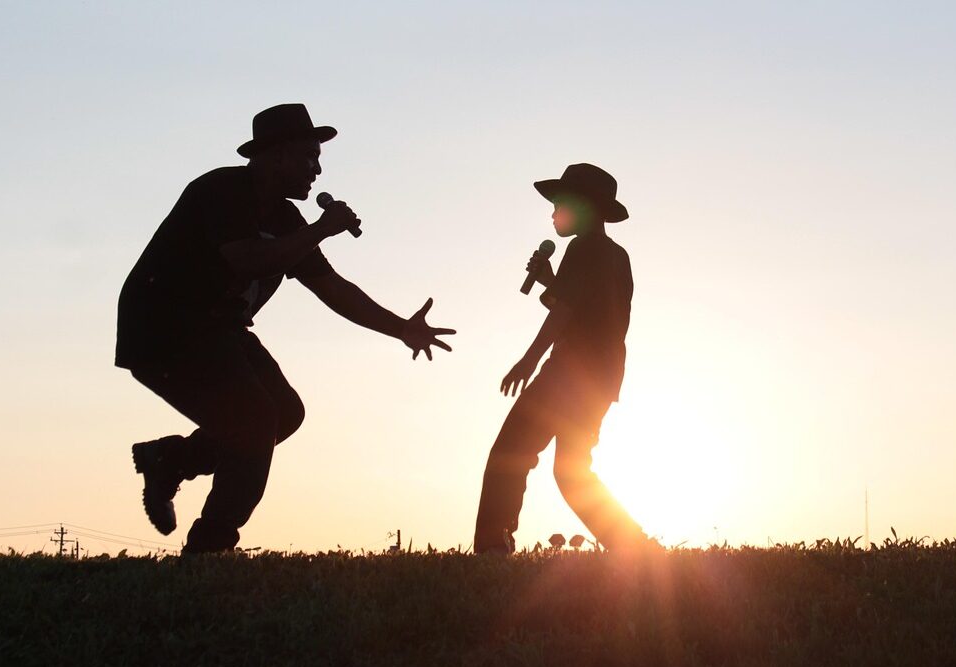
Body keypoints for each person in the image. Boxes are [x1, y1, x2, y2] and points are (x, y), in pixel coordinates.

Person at [116, 103, 454, 553]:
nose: (317, 170)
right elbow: (249, 257)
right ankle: (209, 548)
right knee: (255, 421)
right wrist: (320, 230)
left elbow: (332, 287)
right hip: (164, 330)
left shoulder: (286, 220)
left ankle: (171, 459)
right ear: (275, 156)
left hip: (219, 331)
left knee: (284, 414)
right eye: (308, 157)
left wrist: (402, 329)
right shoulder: (221, 190)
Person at [474, 163, 651, 554]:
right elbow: (583, 308)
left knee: (509, 454)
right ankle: (634, 546)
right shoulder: (613, 255)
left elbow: (565, 313)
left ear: (585, 207)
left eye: (560, 203)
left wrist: (528, 361)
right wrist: (549, 280)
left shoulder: (584, 248)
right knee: (571, 471)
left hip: (569, 375)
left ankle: (491, 548)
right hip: (601, 379)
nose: (553, 212)